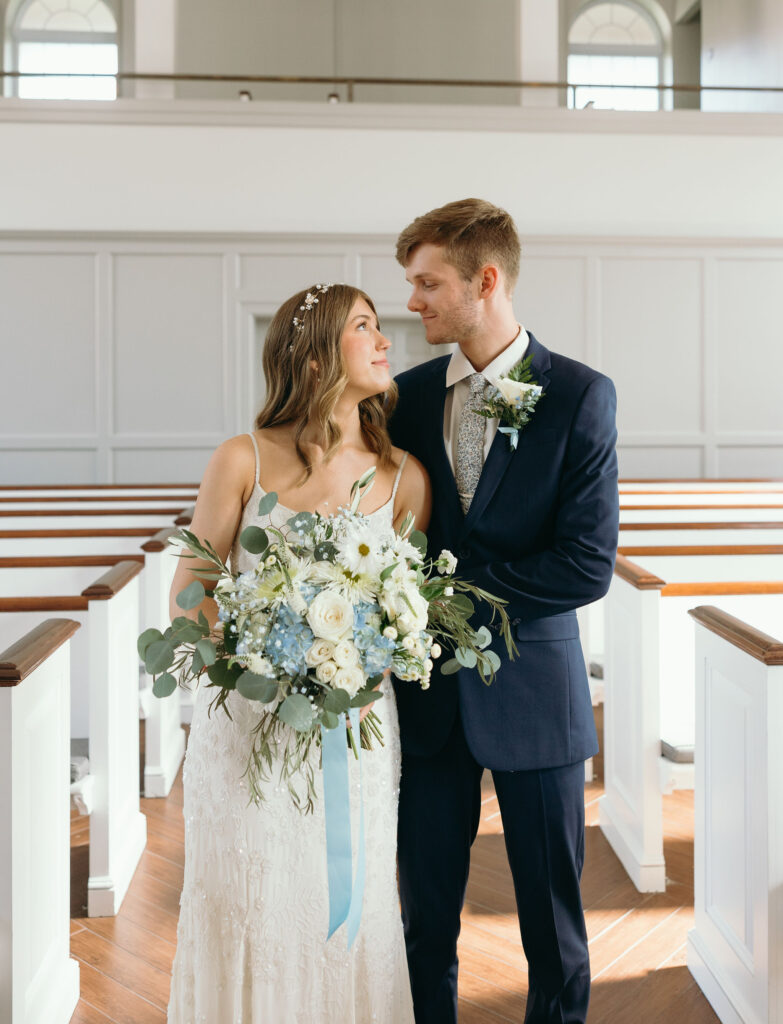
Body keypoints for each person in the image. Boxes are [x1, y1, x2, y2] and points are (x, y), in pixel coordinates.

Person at [166, 283, 429, 1023]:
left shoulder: (403, 477)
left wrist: (359, 652)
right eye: (365, 327)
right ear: (314, 359)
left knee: (348, 900)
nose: (385, 341)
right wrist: (263, 657)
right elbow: (190, 595)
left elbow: (408, 605)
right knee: (248, 898)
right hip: (249, 726)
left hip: (358, 728)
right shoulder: (240, 458)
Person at [389, 199, 619, 1024]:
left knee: (552, 931)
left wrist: (445, 597)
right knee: (421, 926)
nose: (411, 302)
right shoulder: (404, 399)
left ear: (484, 281)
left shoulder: (579, 396)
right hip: (428, 703)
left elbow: (586, 563)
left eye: (427, 283)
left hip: (535, 697)